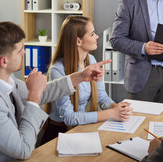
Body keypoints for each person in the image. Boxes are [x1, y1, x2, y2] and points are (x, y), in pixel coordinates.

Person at [0, 21, 110, 161]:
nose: (24, 53)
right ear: (4, 61)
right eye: (20, 50)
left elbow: (43, 92)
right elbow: (23, 149)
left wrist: (80, 76)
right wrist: (33, 97)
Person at [41, 16, 132, 144]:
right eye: (92, 34)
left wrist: (116, 107)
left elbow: (101, 96)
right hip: (59, 134)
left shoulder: (91, 61)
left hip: (80, 129)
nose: (97, 37)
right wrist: (112, 113)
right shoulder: (58, 70)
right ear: (78, 41)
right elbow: (69, 118)